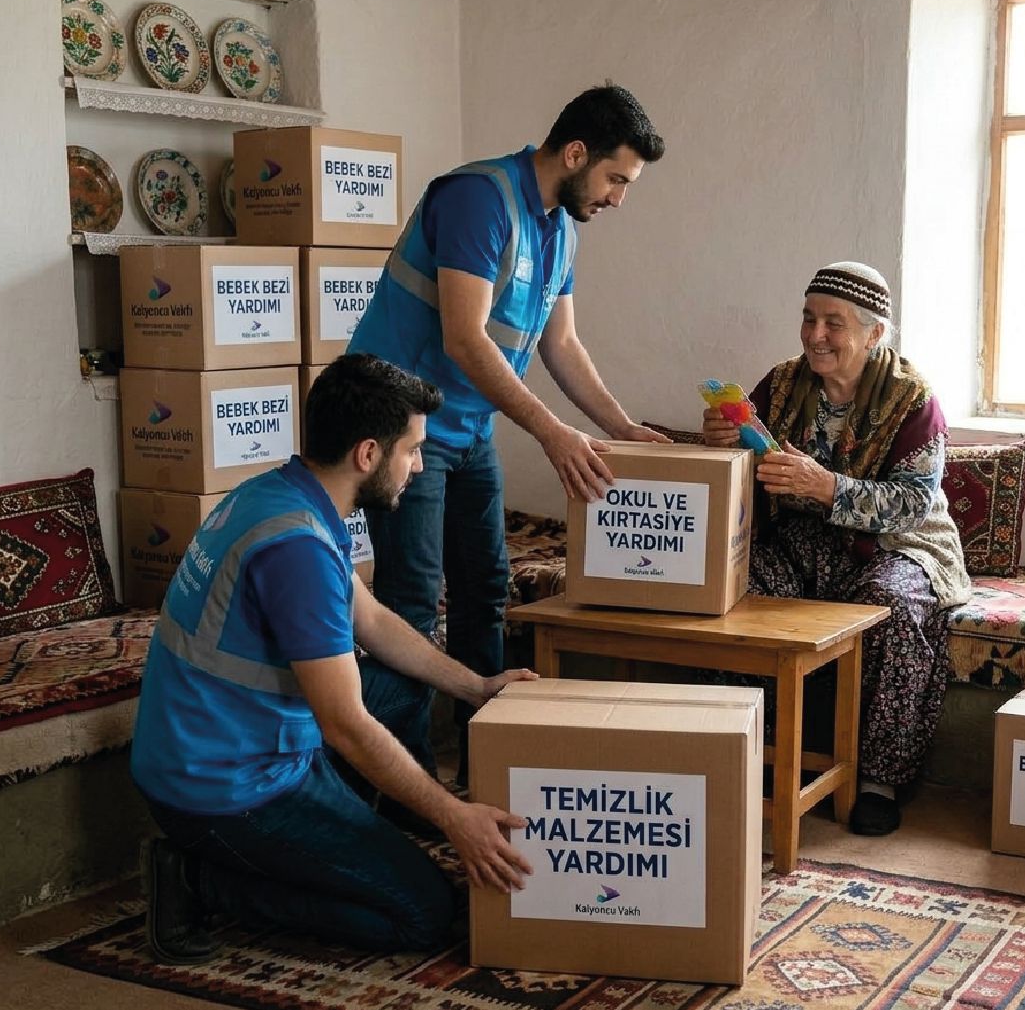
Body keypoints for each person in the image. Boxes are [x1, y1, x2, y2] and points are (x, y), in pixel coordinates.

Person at [130, 353, 537, 966]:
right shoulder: (296, 549)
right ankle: (197, 880)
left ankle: (351, 829)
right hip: (227, 786)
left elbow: (371, 621)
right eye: (413, 451)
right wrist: (454, 816)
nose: (419, 466)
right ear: (368, 454)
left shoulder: (285, 494)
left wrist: (478, 687)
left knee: (407, 685)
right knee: (424, 913)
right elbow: (345, 725)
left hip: (224, 734)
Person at [348, 83, 669, 783]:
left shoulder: (561, 227)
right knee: (411, 601)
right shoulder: (479, 198)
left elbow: (562, 344)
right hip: (404, 433)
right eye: (616, 178)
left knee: (486, 590)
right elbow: (464, 338)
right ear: (575, 153)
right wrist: (553, 433)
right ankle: (401, 785)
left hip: (466, 428)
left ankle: (483, 767)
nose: (618, 198)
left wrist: (622, 427)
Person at [702, 261, 970, 837]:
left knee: (893, 605)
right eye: (808, 318)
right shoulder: (780, 384)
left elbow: (912, 504)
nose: (815, 335)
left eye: (833, 323)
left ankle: (877, 780)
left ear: (874, 334)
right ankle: (754, 750)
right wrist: (723, 442)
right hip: (801, 541)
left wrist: (828, 486)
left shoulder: (912, 400)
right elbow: (747, 471)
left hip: (899, 546)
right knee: (738, 588)